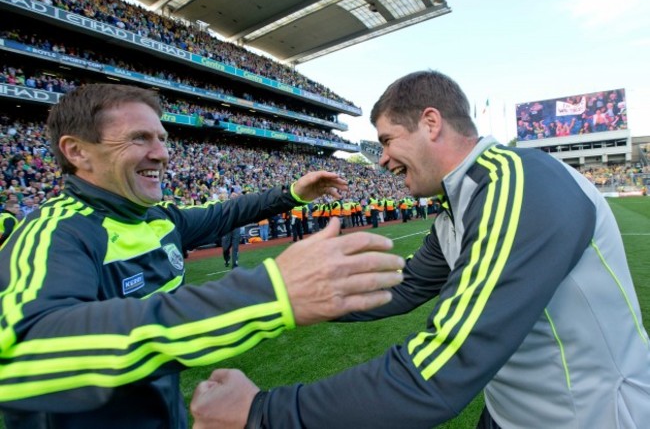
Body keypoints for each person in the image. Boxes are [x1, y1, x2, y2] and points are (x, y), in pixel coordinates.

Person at [190, 70, 650, 429]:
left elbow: (440, 369)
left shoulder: (517, 183)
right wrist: (293, 294)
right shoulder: (457, 203)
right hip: (512, 411)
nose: (383, 159)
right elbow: (403, 286)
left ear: (431, 123)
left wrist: (262, 414)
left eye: (387, 140)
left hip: (585, 417)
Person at [0, 84, 405, 429]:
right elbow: (20, 351)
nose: (161, 154)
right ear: (77, 152)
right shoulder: (57, 232)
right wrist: (270, 292)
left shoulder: (158, 220)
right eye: (140, 138)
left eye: (162, 138)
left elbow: (224, 214)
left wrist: (292, 194)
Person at [222, 192, 242, 268]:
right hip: (227, 228)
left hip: (236, 227)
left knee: (235, 246)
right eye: (232, 195)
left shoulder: (239, 206)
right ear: (230, 197)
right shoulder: (225, 205)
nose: (234, 196)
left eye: (235, 195)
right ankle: (227, 259)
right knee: (225, 247)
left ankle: (235, 264)